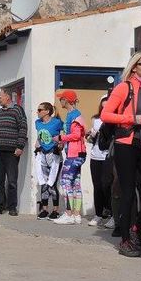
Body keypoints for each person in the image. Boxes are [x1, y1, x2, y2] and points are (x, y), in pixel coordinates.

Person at [101, 51, 141, 258]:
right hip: (126, 144)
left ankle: (136, 228)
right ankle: (126, 240)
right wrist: (131, 118)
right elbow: (105, 114)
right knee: (128, 193)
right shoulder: (124, 87)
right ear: (134, 67)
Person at [0, 88, 27, 216]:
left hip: (12, 151)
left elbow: (23, 128)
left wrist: (20, 146)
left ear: (7, 97)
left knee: (11, 180)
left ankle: (12, 207)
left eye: (0, 97)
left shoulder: (17, 110)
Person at [52, 91, 87, 225]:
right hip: (77, 153)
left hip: (74, 154)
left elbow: (77, 135)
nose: (59, 101)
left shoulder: (74, 115)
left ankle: (68, 214)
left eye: (61, 99)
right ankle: (76, 215)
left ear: (66, 100)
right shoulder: (74, 114)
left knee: (66, 182)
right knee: (75, 184)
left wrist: (61, 138)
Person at [33, 102, 63, 220]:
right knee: (44, 183)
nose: (38, 112)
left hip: (54, 155)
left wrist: (60, 145)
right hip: (43, 155)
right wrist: (37, 145)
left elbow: (62, 135)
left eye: (40, 110)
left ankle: (55, 210)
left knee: (52, 183)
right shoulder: (38, 123)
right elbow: (39, 137)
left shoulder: (57, 122)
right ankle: (45, 209)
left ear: (47, 111)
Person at [87, 98, 112, 227]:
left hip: (108, 155)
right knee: (97, 186)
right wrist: (91, 135)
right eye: (102, 107)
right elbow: (91, 139)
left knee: (107, 185)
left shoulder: (113, 120)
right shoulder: (96, 119)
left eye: (107, 107)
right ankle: (98, 214)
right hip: (96, 155)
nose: (104, 109)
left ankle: (112, 213)